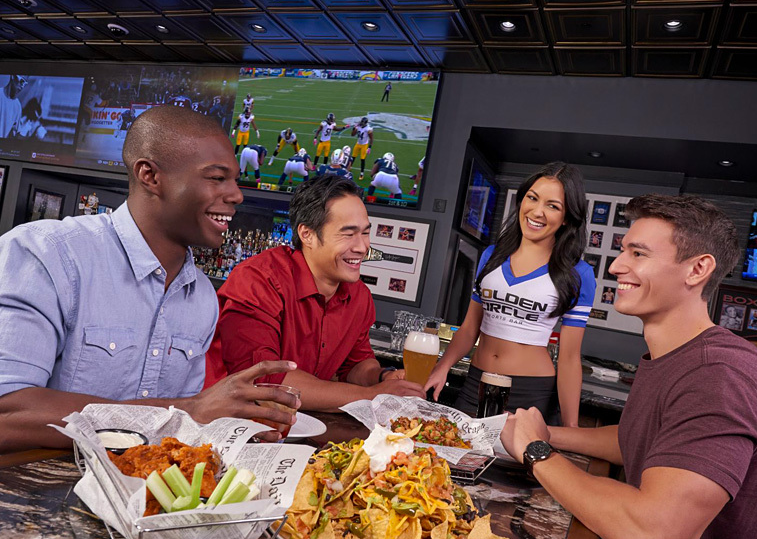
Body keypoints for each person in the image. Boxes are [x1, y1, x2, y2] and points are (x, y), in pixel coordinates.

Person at [501, 194, 757, 539]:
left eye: (638, 253)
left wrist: (537, 452)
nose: (618, 265)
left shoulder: (719, 375)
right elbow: (644, 439)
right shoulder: (678, 356)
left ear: (697, 270)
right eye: (623, 250)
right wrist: (548, 434)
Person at [0, 105, 300, 453]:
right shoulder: (46, 253)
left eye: (234, 180)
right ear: (150, 176)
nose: (236, 195)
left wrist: (231, 423)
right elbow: (8, 411)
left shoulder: (201, 296)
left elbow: (179, 432)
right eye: (217, 178)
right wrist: (188, 411)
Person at [204, 175, 426, 410]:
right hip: (228, 427)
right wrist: (374, 395)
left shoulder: (359, 296)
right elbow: (263, 380)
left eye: (365, 233)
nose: (362, 247)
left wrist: (383, 378)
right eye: (348, 234)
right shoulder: (259, 279)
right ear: (307, 234)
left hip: (298, 427)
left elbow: (356, 365)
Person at [426, 162, 595, 426]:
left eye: (553, 206)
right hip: (476, 382)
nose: (537, 211)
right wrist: (442, 366)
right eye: (532, 198)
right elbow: (470, 328)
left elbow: (570, 358)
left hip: (530, 391)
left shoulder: (578, 274)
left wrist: (571, 429)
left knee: (509, 467)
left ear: (566, 217)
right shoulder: (491, 256)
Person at [0, 74, 26, 138]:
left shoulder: (17, 106)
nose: (22, 86)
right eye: (21, 81)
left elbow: (15, 132)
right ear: (13, 76)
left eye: (25, 83)